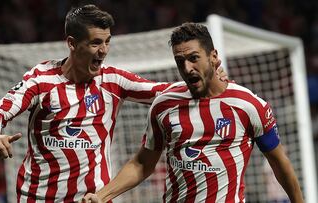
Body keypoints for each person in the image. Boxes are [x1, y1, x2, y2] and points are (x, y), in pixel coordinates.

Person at [0, 5, 227, 202]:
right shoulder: (41, 80)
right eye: (96, 42)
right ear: (72, 43)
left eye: (107, 41)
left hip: (94, 199)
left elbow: (164, 91)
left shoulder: (112, 81)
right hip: (40, 197)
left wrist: (211, 80)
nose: (104, 50)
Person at [83, 23, 304, 203]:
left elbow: (279, 162)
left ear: (214, 56)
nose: (187, 68)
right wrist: (102, 196)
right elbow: (142, 163)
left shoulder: (248, 105)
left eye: (193, 58)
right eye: (180, 61)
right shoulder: (163, 105)